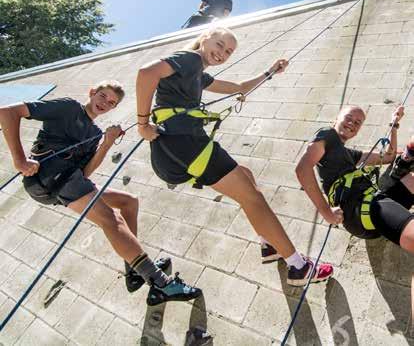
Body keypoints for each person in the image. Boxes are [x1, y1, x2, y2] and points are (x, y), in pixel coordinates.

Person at [136, 27, 334, 286]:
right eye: (219, 44)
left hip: (183, 145)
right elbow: (146, 73)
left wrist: (270, 72)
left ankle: (269, 244)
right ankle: (298, 266)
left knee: (247, 177)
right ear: (205, 38)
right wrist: (142, 124)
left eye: (228, 51)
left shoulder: (198, 73)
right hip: (186, 142)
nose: (222, 53)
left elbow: (238, 88)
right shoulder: (190, 59)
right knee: (253, 198)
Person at [0, 81, 201, 306]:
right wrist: (19, 159)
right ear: (92, 93)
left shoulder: (95, 133)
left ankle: (135, 269)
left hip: (69, 181)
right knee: (111, 219)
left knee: (128, 203)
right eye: (103, 96)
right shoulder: (68, 107)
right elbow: (8, 111)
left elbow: (85, 174)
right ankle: (161, 284)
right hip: (48, 177)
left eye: (111, 102)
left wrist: (106, 143)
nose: (105, 103)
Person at [296, 105, 414, 253]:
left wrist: (394, 125)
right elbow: (302, 169)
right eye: (348, 118)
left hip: (371, 213)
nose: (352, 123)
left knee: (411, 179)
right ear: (336, 119)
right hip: (363, 210)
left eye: (357, 123)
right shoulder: (327, 135)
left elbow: (389, 156)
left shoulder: (349, 154)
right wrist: (327, 212)